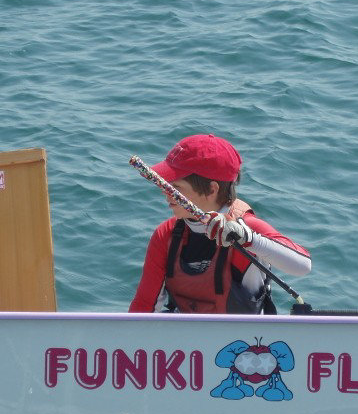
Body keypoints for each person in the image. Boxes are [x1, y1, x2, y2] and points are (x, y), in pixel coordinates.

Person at [129, 134, 311, 314]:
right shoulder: (166, 234)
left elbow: (303, 266)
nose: (166, 194)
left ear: (211, 189)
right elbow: (144, 304)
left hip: (245, 341)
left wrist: (249, 240)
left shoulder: (246, 229)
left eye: (176, 188)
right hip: (184, 341)